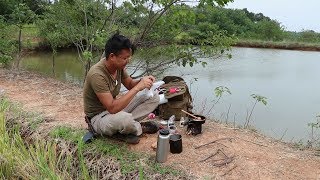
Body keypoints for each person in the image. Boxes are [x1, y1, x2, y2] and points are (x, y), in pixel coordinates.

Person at [83, 33, 160, 144]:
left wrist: (142, 81)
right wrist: (138, 88)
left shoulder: (118, 67)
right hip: (99, 117)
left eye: (129, 57)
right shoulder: (97, 74)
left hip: (115, 111)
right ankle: (135, 127)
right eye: (125, 58)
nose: (128, 60)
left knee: (154, 97)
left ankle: (129, 127)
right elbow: (112, 108)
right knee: (125, 119)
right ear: (112, 56)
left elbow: (129, 84)